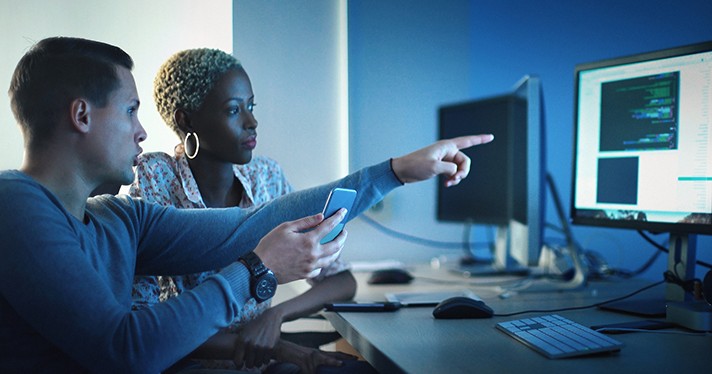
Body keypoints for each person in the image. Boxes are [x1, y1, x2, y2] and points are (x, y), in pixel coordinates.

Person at [0, 36, 493, 373]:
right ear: (81, 115)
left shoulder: (118, 217)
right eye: (130, 111)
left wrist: (397, 171)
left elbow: (252, 224)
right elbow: (128, 351)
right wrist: (259, 269)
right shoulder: (15, 207)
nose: (142, 130)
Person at [128, 48, 359, 372]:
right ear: (186, 119)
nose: (252, 122)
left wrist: (273, 316)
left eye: (251, 106)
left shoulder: (265, 176)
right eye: (234, 110)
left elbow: (342, 281)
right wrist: (282, 348)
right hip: (188, 363)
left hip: (262, 357)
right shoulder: (156, 176)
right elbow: (145, 324)